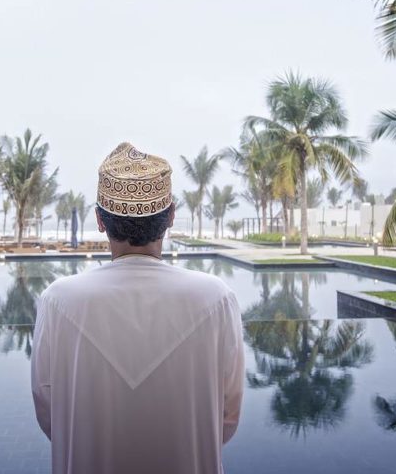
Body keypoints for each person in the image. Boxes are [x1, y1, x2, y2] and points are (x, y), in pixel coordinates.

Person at [31, 142, 244, 474]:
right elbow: (227, 417)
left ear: (100, 220)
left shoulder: (59, 301)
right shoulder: (215, 299)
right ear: (171, 216)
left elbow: (49, 414)